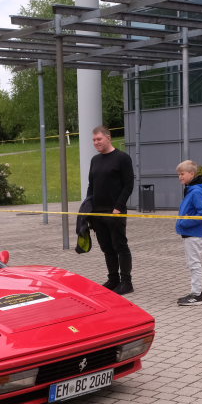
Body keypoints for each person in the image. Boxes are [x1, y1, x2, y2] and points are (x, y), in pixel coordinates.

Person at [86, 126, 135, 295]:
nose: (96, 142)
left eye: (99, 139)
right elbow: (91, 186)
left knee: (120, 246)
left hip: (115, 211)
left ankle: (126, 282)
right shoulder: (95, 160)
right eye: (94, 140)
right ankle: (113, 279)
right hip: (97, 213)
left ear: (108, 137)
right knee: (106, 247)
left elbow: (128, 185)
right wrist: (88, 208)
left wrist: (118, 208)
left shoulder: (122, 158)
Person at [175, 159, 202, 306]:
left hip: (193, 233)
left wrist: (184, 222)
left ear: (191, 174)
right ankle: (195, 293)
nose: (180, 177)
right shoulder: (191, 190)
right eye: (179, 174)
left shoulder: (195, 192)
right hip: (190, 233)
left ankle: (196, 296)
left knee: (194, 264)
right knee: (192, 263)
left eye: (182, 174)